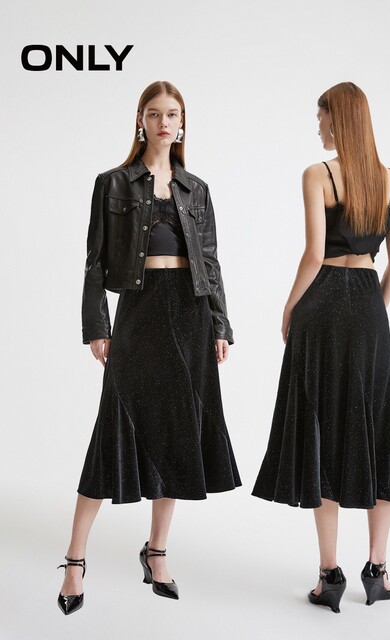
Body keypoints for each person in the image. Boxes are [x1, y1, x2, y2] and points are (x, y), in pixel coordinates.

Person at [57, 80, 241, 615]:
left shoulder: (196, 189)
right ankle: (74, 560)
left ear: (183, 123)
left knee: (177, 434)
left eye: (173, 114)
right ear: (140, 119)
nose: (164, 122)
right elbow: (95, 260)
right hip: (138, 311)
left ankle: (156, 552)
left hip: (190, 313)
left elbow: (210, 261)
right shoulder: (112, 183)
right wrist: (97, 325)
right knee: (112, 431)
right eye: (155, 113)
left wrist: (221, 324)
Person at [252, 82, 390, 613]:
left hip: (321, 306)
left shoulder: (318, 175)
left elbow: (313, 254)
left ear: (337, 120)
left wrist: (289, 307)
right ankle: (378, 569)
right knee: (377, 427)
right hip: (367, 304)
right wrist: (371, 313)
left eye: (320, 117)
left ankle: (329, 573)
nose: (317, 126)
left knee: (325, 426)